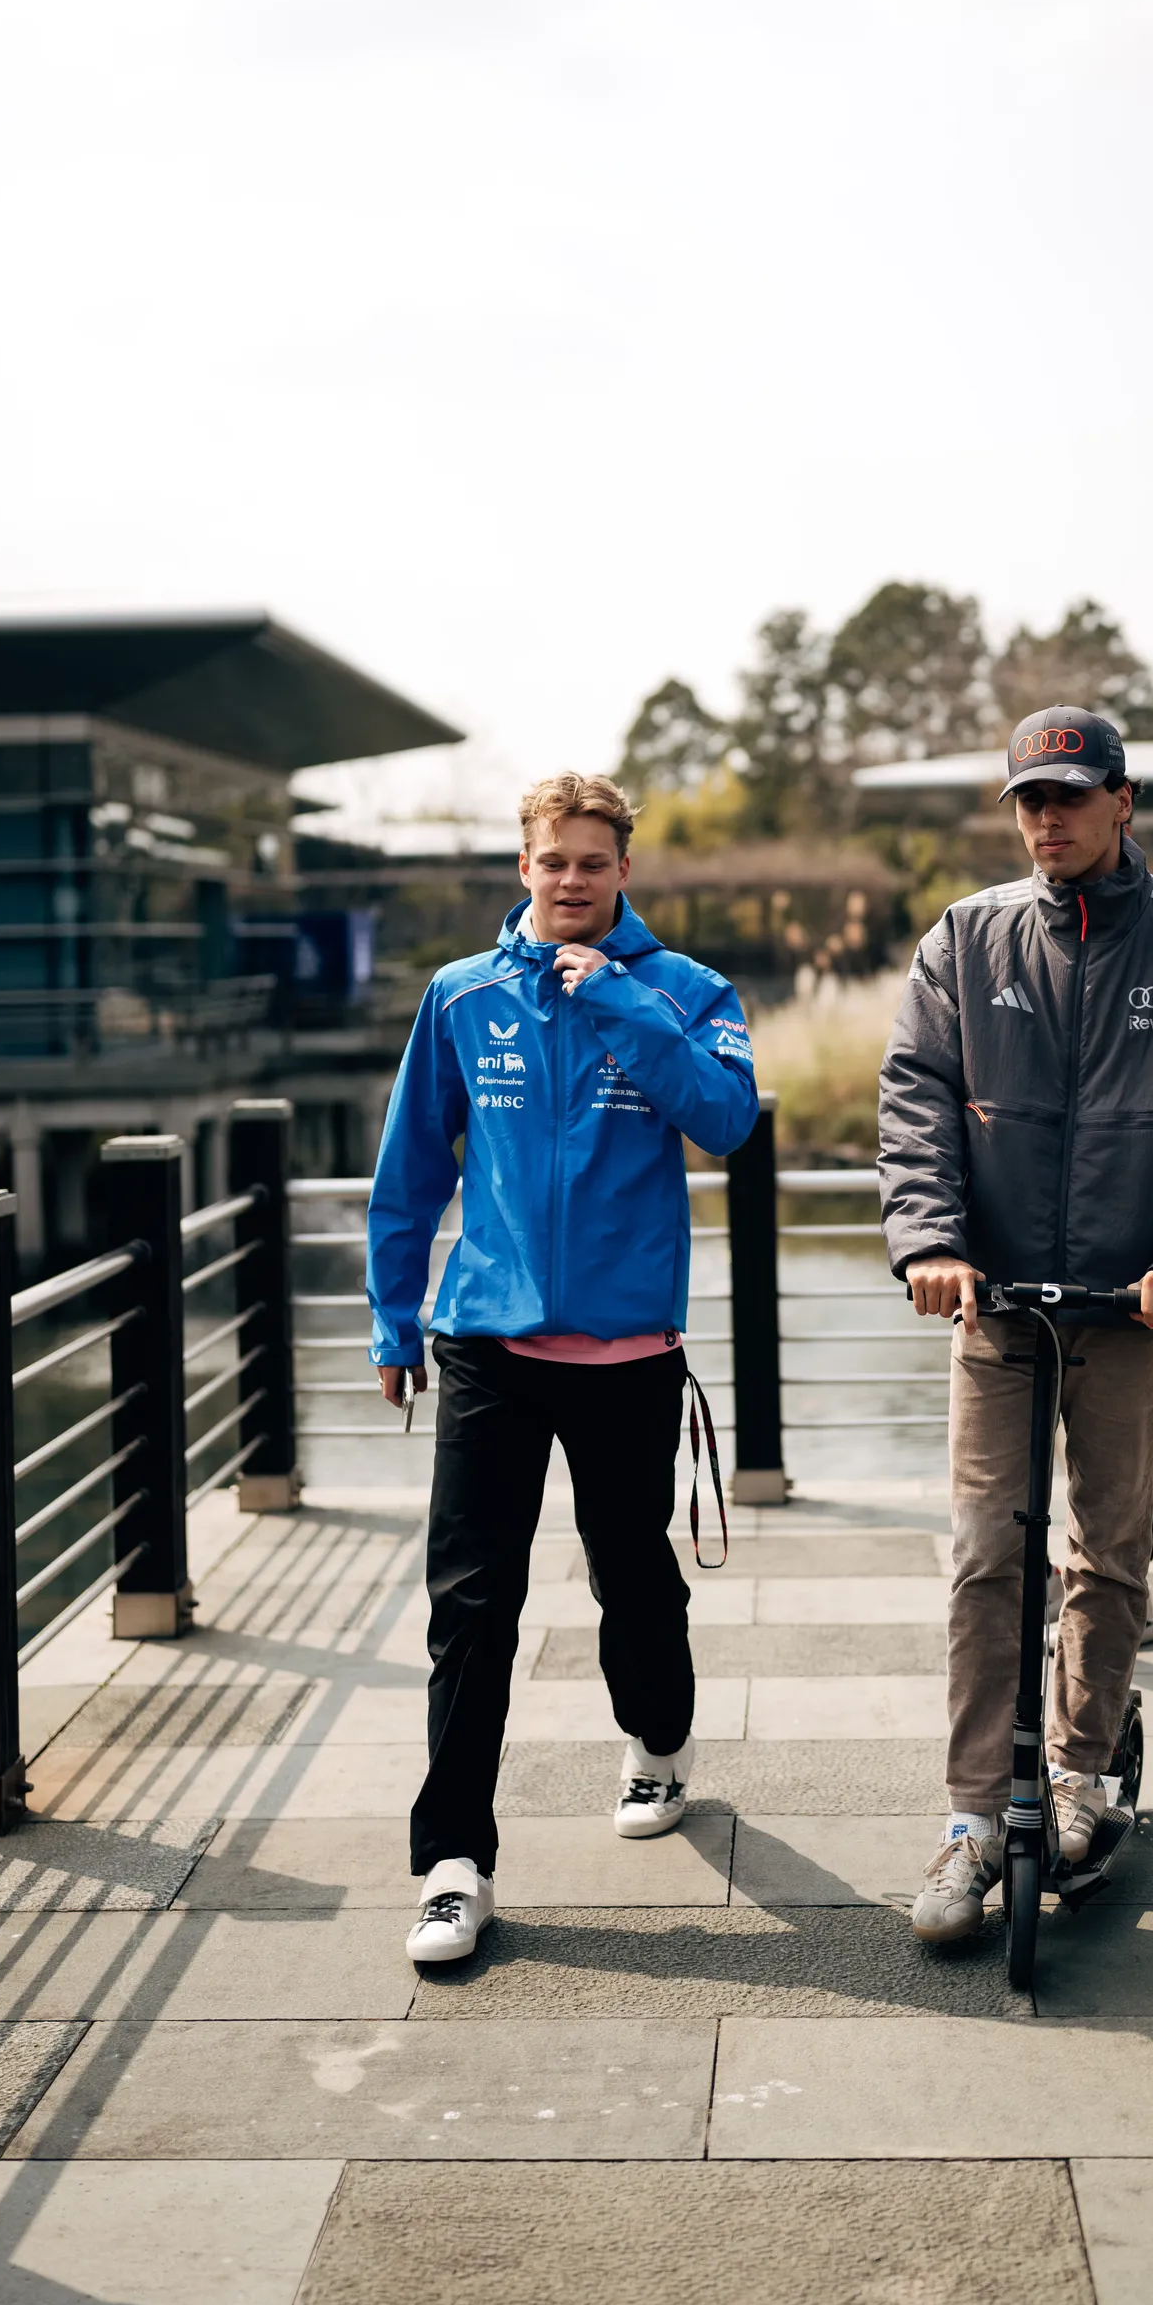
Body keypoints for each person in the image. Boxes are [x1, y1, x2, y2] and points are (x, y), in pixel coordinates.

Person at [879, 706, 1153, 1943]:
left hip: (1128, 1308)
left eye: (1070, 795)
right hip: (997, 1306)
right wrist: (933, 1242)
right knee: (980, 1556)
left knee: (1106, 1553)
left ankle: (1080, 1771)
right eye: (1029, 800)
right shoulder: (966, 940)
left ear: (1124, 801)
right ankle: (967, 1819)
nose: (1047, 818)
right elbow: (917, 1104)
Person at [366, 771, 759, 1963]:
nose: (573, 880)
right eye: (554, 861)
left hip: (626, 1348)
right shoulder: (462, 995)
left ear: (624, 869)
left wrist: (626, 1006)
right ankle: (452, 1863)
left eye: (595, 861)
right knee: (471, 1608)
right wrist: (394, 1317)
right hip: (487, 1339)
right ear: (523, 867)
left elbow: (730, 1120)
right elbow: (411, 1169)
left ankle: (657, 1738)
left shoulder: (688, 993)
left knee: (630, 1575)